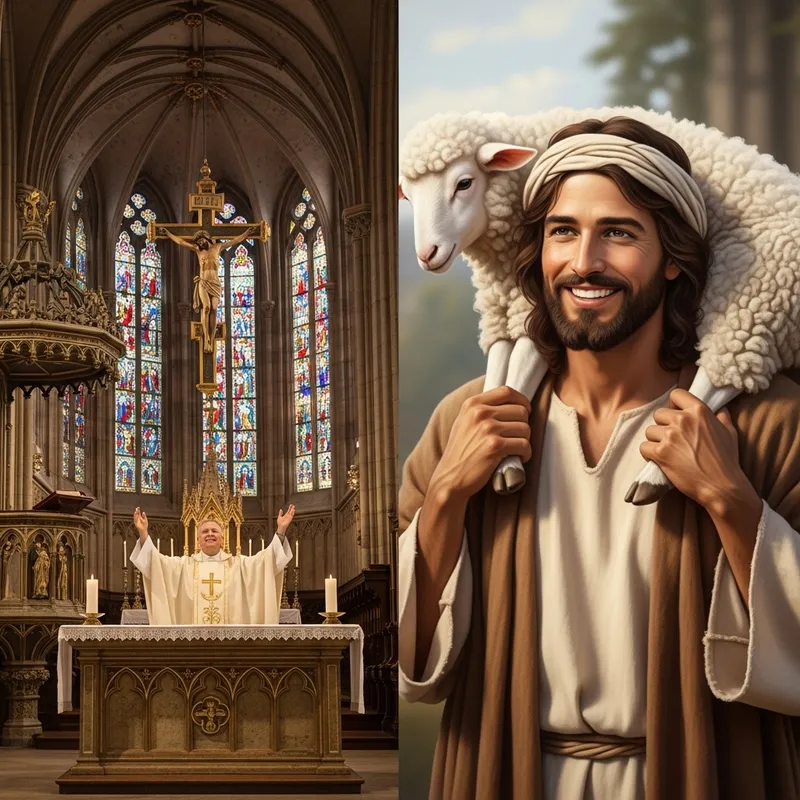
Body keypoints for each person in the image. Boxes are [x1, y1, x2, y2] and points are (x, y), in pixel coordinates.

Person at [398, 117, 800, 799]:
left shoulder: (769, 425)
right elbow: (410, 667)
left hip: (700, 772)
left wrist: (732, 500)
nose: (584, 261)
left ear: (673, 255)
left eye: (618, 232)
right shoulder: (465, 422)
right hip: (508, 771)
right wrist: (445, 498)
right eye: (562, 231)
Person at [130, 504, 295, 625]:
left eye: (214, 531)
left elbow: (267, 561)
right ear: (198, 540)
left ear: (222, 539)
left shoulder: (239, 566)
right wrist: (143, 533)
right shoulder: (182, 566)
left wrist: (281, 531)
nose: (210, 534)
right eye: (205, 532)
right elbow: (155, 563)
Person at [159, 226, 259, 353]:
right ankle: (206, 338)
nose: (200, 243)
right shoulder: (197, 250)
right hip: (203, 282)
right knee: (205, 307)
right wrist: (168, 233)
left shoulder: (217, 247)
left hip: (215, 283)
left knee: (214, 308)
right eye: (198, 242)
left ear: (207, 239)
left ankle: (211, 339)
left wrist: (246, 233)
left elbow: (234, 241)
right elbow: (181, 242)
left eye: (202, 240)